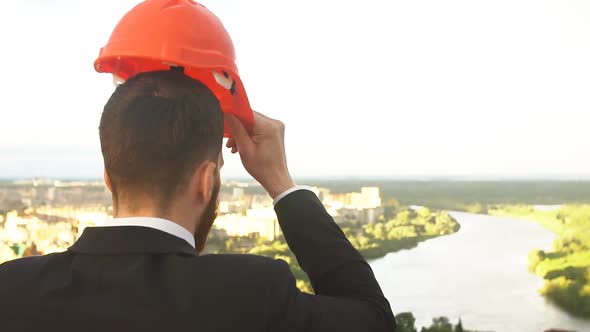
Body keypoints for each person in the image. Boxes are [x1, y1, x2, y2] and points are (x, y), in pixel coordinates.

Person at [0, 70, 395, 331]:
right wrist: (280, 183)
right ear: (206, 181)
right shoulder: (252, 293)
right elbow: (373, 318)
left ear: (108, 179)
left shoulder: (12, 289)